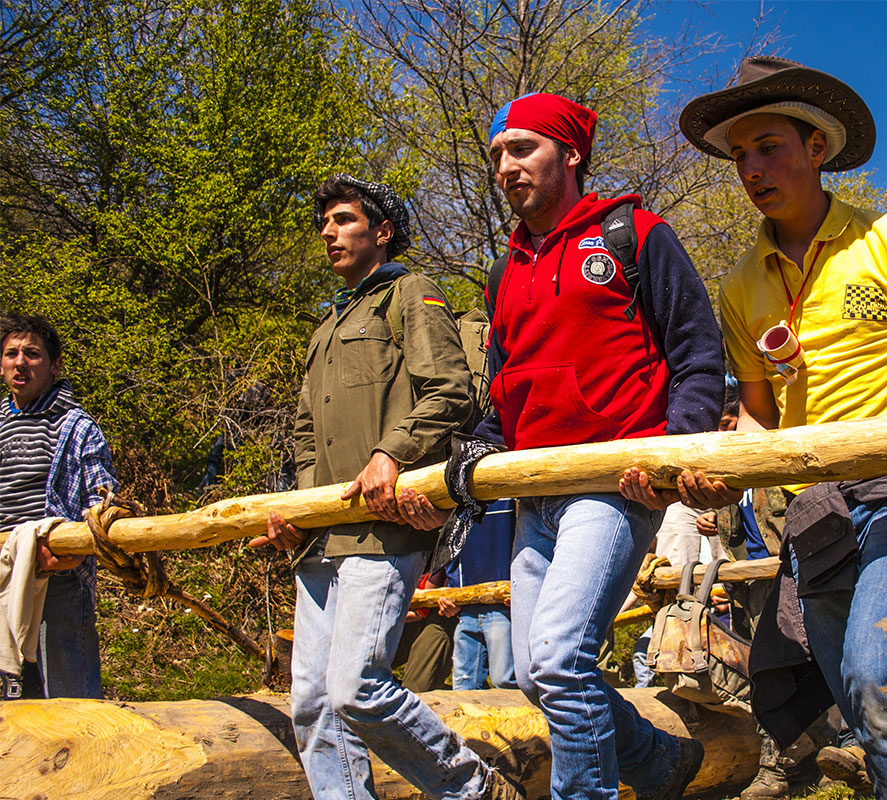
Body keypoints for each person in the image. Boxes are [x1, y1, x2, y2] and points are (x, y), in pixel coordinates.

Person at [663, 57, 887, 800]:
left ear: (817, 148)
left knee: (877, 676)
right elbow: (757, 413)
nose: (751, 167)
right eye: (738, 155)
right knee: (856, 697)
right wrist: (724, 470)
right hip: (812, 506)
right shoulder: (740, 285)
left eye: (769, 146)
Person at [479, 92, 724, 800]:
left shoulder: (636, 236)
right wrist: (483, 446)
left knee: (558, 661)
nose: (506, 166)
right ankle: (660, 763)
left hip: (613, 487)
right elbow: (504, 388)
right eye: (498, 154)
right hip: (532, 495)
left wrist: (672, 456)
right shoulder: (506, 270)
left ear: (571, 154)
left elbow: (699, 355)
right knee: (534, 673)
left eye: (522, 149)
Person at [254, 174, 520, 800]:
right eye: (324, 223)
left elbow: (451, 392)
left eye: (344, 220)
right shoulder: (326, 327)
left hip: (383, 527)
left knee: (357, 687)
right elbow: (301, 433)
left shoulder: (409, 295)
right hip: (319, 541)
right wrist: (297, 506)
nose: (328, 232)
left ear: (382, 231)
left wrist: (389, 453)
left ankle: (471, 789)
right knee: (314, 707)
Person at [0, 313, 116, 700]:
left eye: (32, 354)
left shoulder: (76, 426)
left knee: (69, 703)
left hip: (59, 580)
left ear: (54, 364)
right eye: (12, 353)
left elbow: (104, 505)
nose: (20, 362)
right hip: (3, 575)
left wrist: (69, 554)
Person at [446, 498, 517, 690]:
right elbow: (450, 549)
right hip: (467, 606)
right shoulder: (458, 500)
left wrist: (522, 589)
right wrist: (452, 589)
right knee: (463, 684)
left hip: (505, 607)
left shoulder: (514, 499)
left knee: (504, 681)